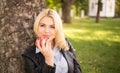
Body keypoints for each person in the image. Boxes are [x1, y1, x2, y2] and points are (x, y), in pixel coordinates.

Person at [22, 9, 82, 73]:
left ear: (57, 29)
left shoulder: (65, 43)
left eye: (52, 27)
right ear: (37, 27)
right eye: (42, 25)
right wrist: (49, 59)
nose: (46, 31)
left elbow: (77, 69)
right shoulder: (29, 55)